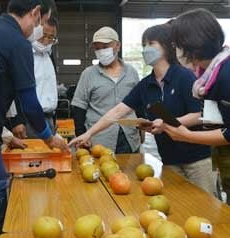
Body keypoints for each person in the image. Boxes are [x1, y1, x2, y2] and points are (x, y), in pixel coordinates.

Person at [69, 23, 215, 195]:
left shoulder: (183, 76)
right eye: (143, 45)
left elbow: (199, 115)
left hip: (196, 158)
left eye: (151, 44)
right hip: (168, 158)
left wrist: (167, 123)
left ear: (167, 46)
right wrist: (88, 133)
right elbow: (116, 112)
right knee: (180, 206)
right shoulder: (146, 85)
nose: (145, 49)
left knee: (206, 206)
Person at [0, 0, 68, 238]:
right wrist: (49, 137)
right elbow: (30, 104)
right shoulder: (17, 43)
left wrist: (4, 134)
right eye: (43, 21)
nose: (40, 29)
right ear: (35, 12)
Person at [162, 8, 230, 202]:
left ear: (192, 44)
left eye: (177, 44)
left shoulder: (226, 74)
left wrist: (189, 136)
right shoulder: (207, 74)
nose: (175, 50)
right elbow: (215, 117)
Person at [71, 26, 141, 153]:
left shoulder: (131, 72)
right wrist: (81, 134)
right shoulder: (88, 74)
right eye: (97, 48)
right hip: (99, 140)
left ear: (117, 46)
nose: (101, 51)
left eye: (105, 47)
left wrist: (141, 131)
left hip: (129, 138)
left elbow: (139, 103)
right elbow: (79, 108)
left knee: (130, 171)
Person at [18, 16, 59, 138]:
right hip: (28, 121)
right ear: (36, 31)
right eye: (43, 35)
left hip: (48, 118)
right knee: (31, 155)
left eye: (51, 37)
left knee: (49, 156)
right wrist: (17, 120)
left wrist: (54, 119)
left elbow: (49, 89)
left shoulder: (48, 56)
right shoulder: (24, 54)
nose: (46, 41)